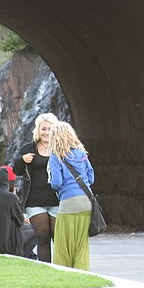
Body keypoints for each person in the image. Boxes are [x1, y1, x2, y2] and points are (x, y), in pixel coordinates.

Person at [10, 112, 60, 262]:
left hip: (57, 200)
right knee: (42, 237)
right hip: (34, 201)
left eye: (49, 129)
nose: (46, 132)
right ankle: (46, 269)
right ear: (37, 130)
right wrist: (22, 160)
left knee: (57, 237)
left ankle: (62, 269)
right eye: (43, 129)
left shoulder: (60, 148)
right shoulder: (28, 149)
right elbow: (16, 171)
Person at [48, 121, 94, 270]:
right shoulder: (82, 154)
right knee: (81, 243)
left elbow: (56, 182)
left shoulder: (55, 157)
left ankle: (63, 271)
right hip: (87, 201)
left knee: (63, 242)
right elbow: (91, 178)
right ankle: (83, 272)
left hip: (68, 202)